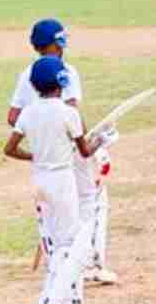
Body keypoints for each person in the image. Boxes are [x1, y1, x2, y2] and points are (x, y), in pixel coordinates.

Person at [8, 18, 117, 287]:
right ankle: (89, 261)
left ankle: (57, 259)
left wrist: (37, 130)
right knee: (92, 200)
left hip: (44, 156)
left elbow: (13, 117)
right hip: (69, 152)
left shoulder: (28, 74)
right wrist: (94, 144)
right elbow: (72, 113)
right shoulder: (65, 71)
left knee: (53, 211)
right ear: (57, 44)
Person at [4, 57, 99, 304]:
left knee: (57, 244)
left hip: (39, 179)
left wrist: (35, 155)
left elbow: (9, 149)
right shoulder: (67, 113)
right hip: (62, 180)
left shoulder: (29, 113)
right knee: (69, 246)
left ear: (34, 85)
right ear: (61, 83)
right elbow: (84, 151)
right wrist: (102, 140)